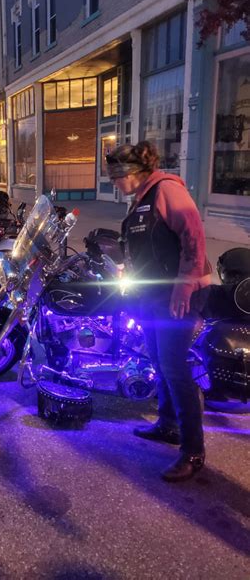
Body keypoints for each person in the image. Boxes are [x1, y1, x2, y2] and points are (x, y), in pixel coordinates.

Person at [106, 141, 211, 482]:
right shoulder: (140, 199)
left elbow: (193, 236)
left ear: (133, 173)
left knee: (174, 368)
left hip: (179, 295)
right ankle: (168, 425)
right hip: (154, 295)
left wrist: (184, 284)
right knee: (158, 361)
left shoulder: (167, 190)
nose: (114, 183)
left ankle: (193, 451)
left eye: (116, 177)